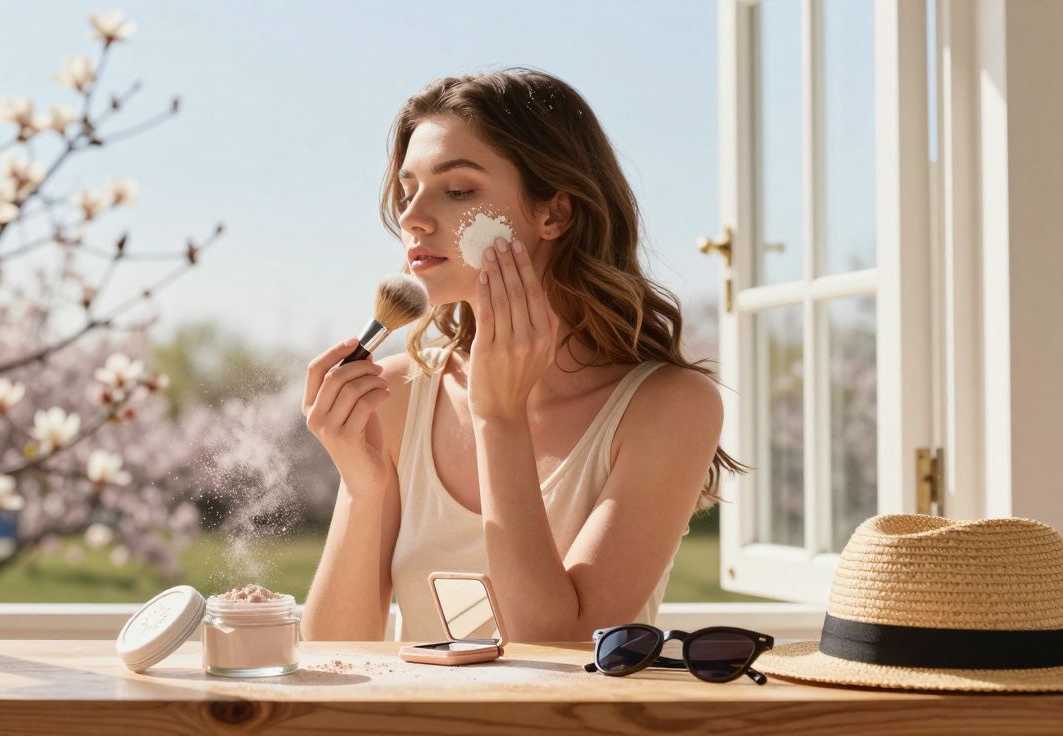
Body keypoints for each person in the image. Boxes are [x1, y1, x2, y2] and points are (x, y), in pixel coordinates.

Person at [300, 68, 745, 642]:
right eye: (408, 190)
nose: (411, 216)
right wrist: (364, 489)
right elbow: (338, 656)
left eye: (458, 190)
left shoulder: (669, 407)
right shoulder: (398, 392)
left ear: (554, 214)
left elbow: (559, 646)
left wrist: (499, 418)